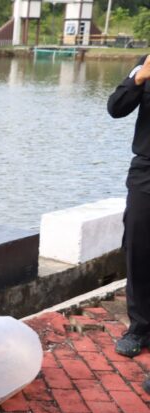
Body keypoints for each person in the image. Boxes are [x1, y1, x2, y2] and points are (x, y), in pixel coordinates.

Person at [107, 56, 150, 373]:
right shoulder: (145, 65)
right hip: (146, 173)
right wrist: (140, 77)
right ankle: (139, 328)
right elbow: (116, 107)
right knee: (137, 247)